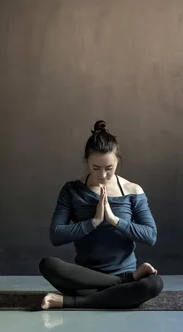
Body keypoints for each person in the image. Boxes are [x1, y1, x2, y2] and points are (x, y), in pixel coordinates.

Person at [39, 120, 164, 310]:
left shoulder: (132, 190)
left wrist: (114, 220)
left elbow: (151, 236)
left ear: (117, 161)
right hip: (83, 280)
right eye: (95, 168)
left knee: (154, 284)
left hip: (121, 279)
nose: (103, 175)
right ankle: (122, 282)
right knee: (48, 264)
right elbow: (56, 235)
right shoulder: (72, 190)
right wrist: (94, 221)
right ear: (87, 161)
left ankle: (72, 302)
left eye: (109, 168)